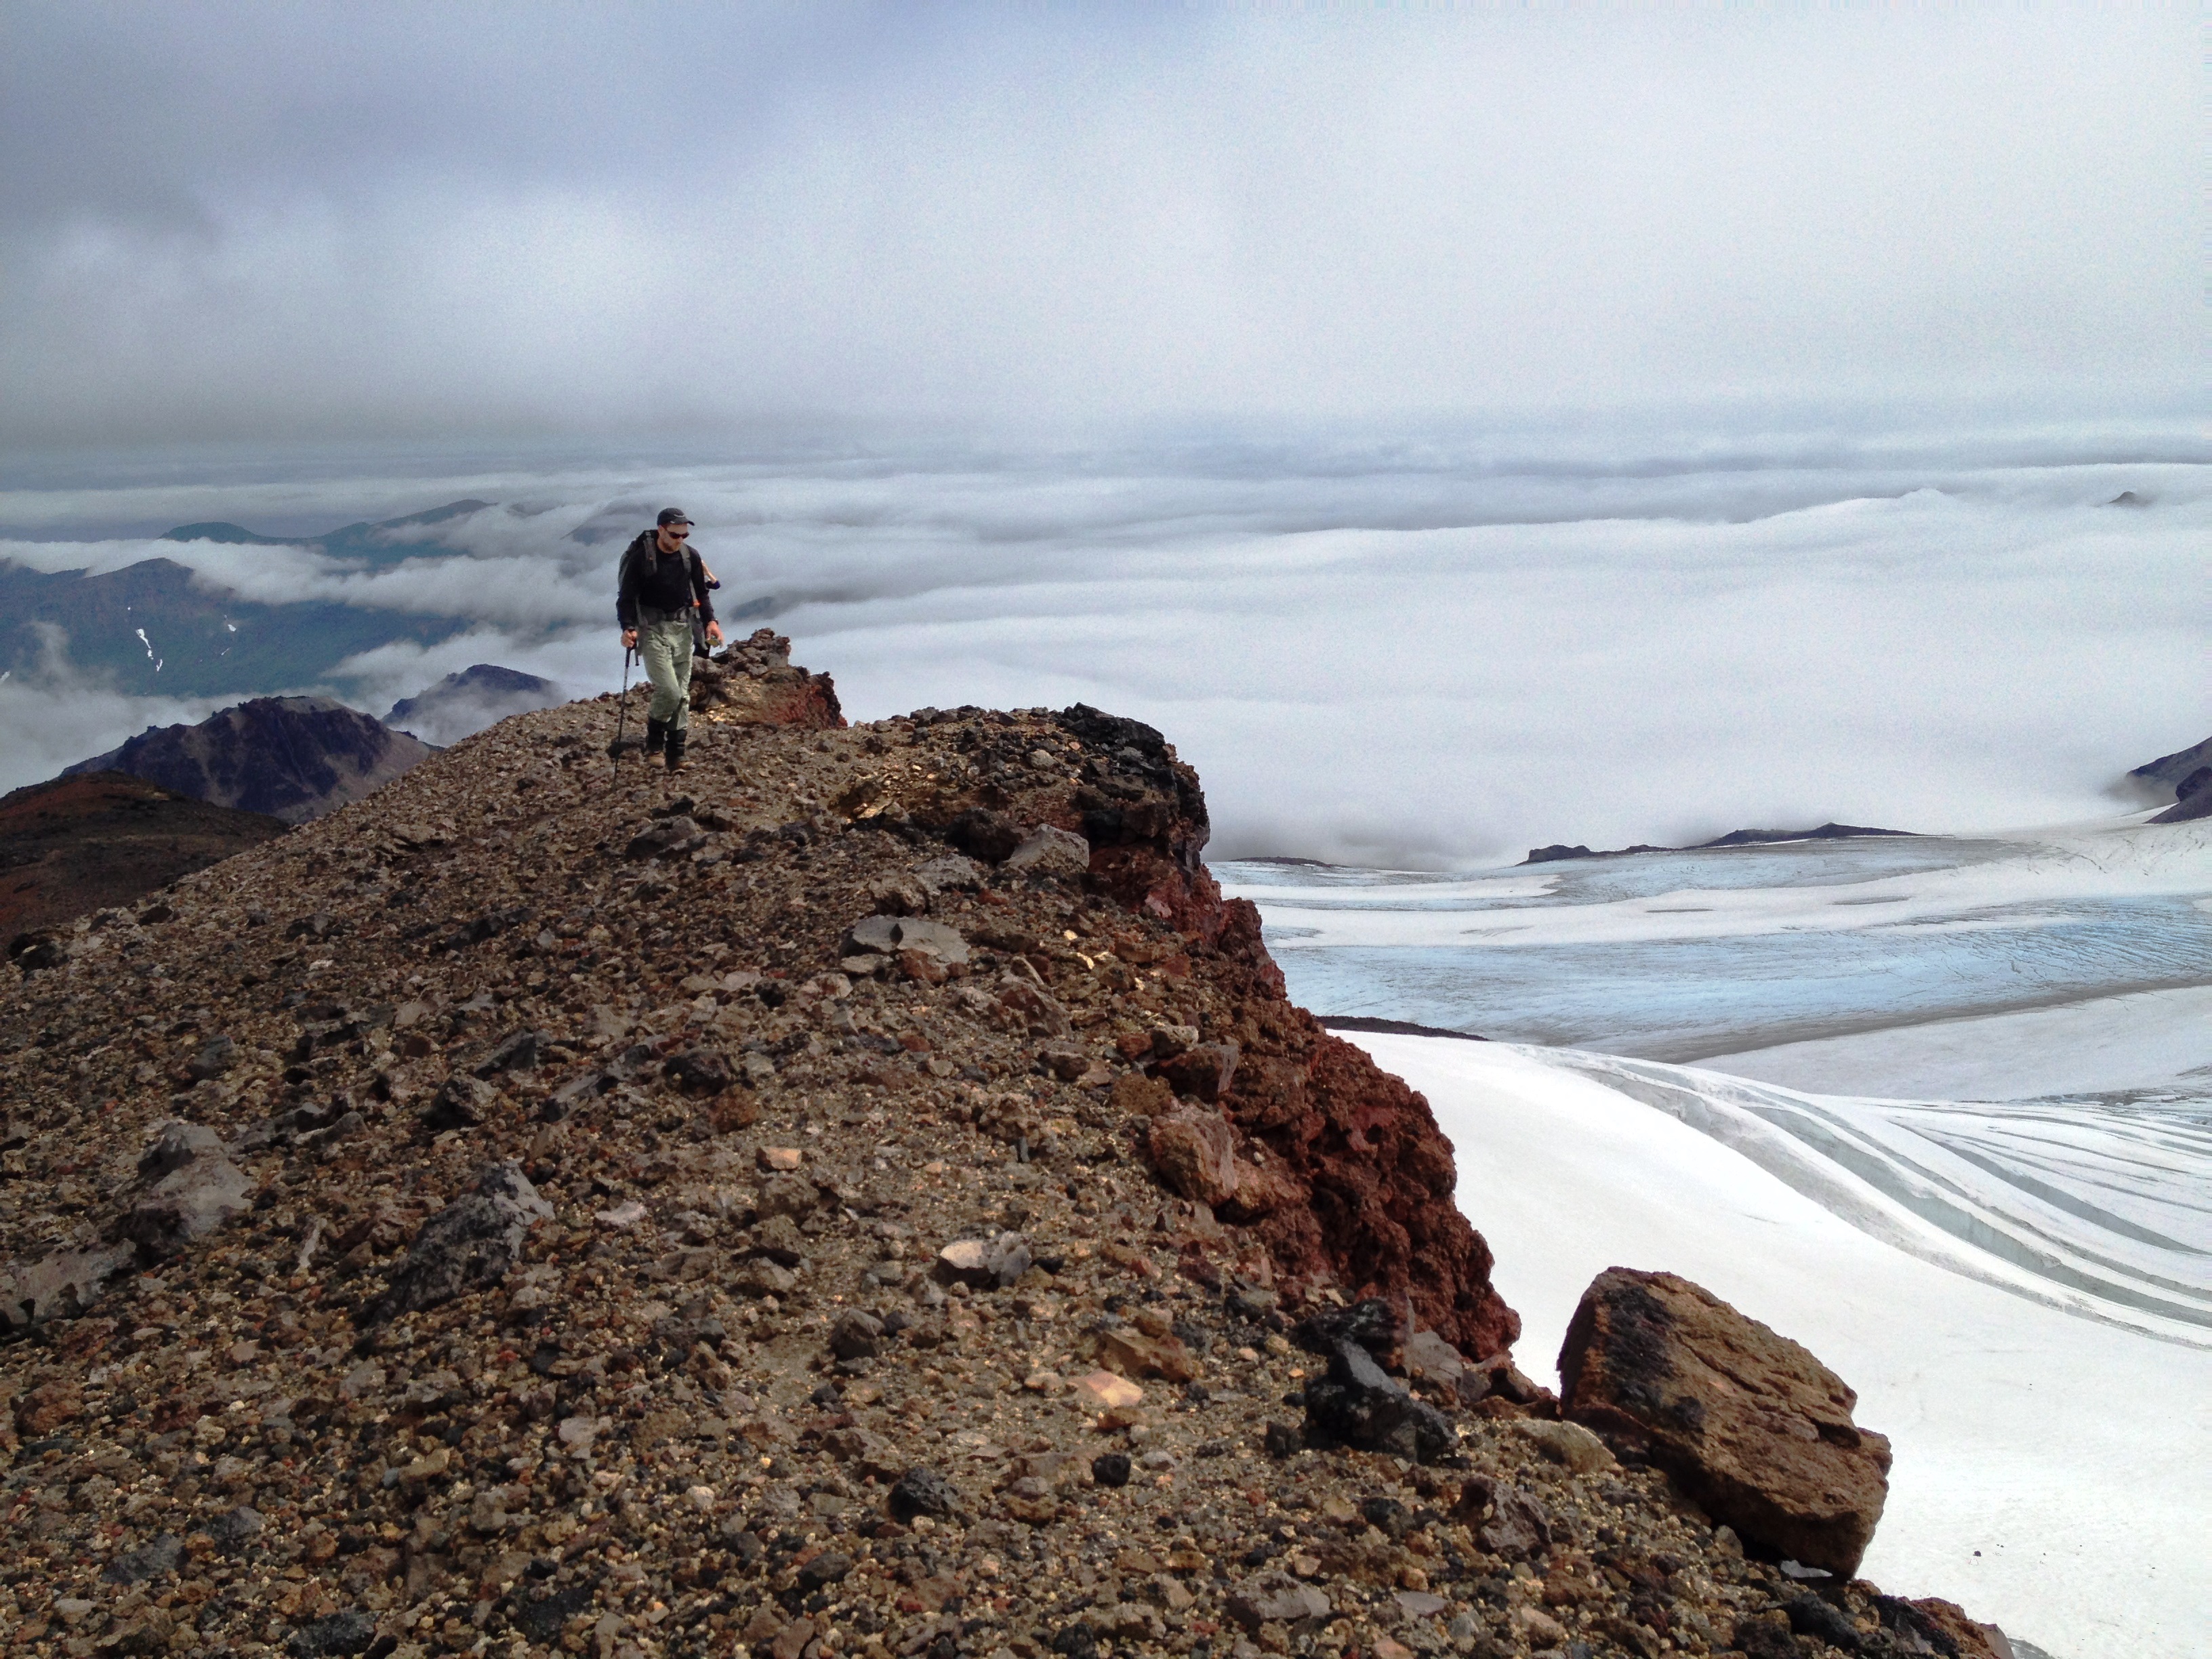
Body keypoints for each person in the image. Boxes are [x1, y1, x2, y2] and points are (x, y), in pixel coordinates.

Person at [617, 508, 722, 773]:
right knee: (670, 691)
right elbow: (626, 597)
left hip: (683, 627)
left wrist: (711, 622)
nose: (680, 540)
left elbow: (702, 593)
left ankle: (677, 756)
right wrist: (628, 628)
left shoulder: (690, 556)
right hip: (651, 629)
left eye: (684, 534)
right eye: (675, 534)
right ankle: (654, 746)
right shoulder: (643, 558)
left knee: (683, 696)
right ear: (661, 529)